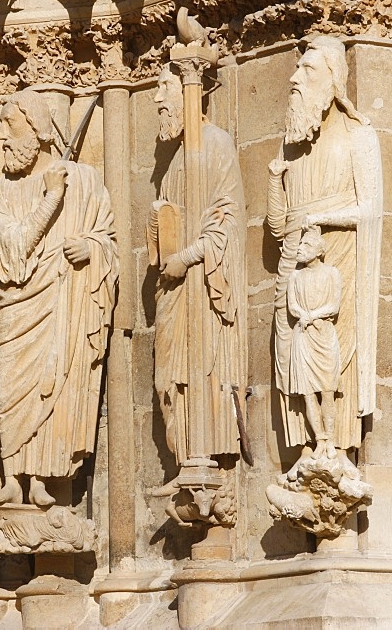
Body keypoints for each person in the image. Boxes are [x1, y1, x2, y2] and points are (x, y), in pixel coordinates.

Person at [0, 91, 117, 507]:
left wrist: (93, 250)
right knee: (10, 387)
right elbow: (13, 253)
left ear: (38, 130)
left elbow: (108, 238)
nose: (2, 137)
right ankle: (11, 473)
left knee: (55, 378)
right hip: (20, 307)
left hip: (63, 305)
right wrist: (52, 198)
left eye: (10, 125)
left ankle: (43, 476)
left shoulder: (86, 182)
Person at [267, 36, 382, 454]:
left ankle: (338, 448)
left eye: (308, 70)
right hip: (293, 267)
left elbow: (370, 211)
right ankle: (307, 446)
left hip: (339, 261)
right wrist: (274, 182)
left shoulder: (358, 137)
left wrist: (319, 217)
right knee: (293, 362)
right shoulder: (289, 145)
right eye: (297, 69)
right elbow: (278, 227)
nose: (295, 79)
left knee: (334, 359)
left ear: (333, 82)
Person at [147, 64, 247, 492]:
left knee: (201, 370)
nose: (155, 100)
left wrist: (186, 257)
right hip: (176, 286)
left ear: (192, 93)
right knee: (168, 377)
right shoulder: (178, 160)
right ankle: (185, 457)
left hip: (203, 287)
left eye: (164, 89)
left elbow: (225, 225)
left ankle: (204, 461)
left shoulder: (215, 145)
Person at [287, 227, 343, 460]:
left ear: (319, 250)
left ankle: (330, 439)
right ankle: (319, 439)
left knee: (327, 390)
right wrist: (304, 315)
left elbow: (334, 305)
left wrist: (313, 315)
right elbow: (292, 306)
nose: (300, 249)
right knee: (308, 393)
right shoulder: (295, 276)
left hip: (324, 335)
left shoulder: (331, 273)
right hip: (303, 337)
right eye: (300, 245)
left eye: (306, 245)